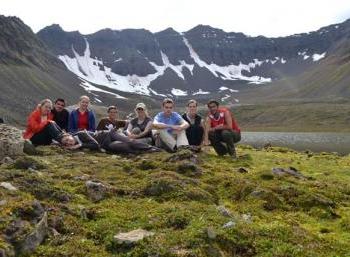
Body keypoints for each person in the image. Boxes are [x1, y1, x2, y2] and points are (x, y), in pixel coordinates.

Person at [61, 129, 160, 154]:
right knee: (120, 147)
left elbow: (95, 144)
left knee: (129, 142)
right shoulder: (77, 143)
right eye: (66, 144)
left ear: (69, 135)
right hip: (106, 144)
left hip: (109, 134)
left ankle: (154, 149)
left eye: (67, 140)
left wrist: (79, 145)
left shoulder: (81, 133)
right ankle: (142, 151)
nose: (68, 143)